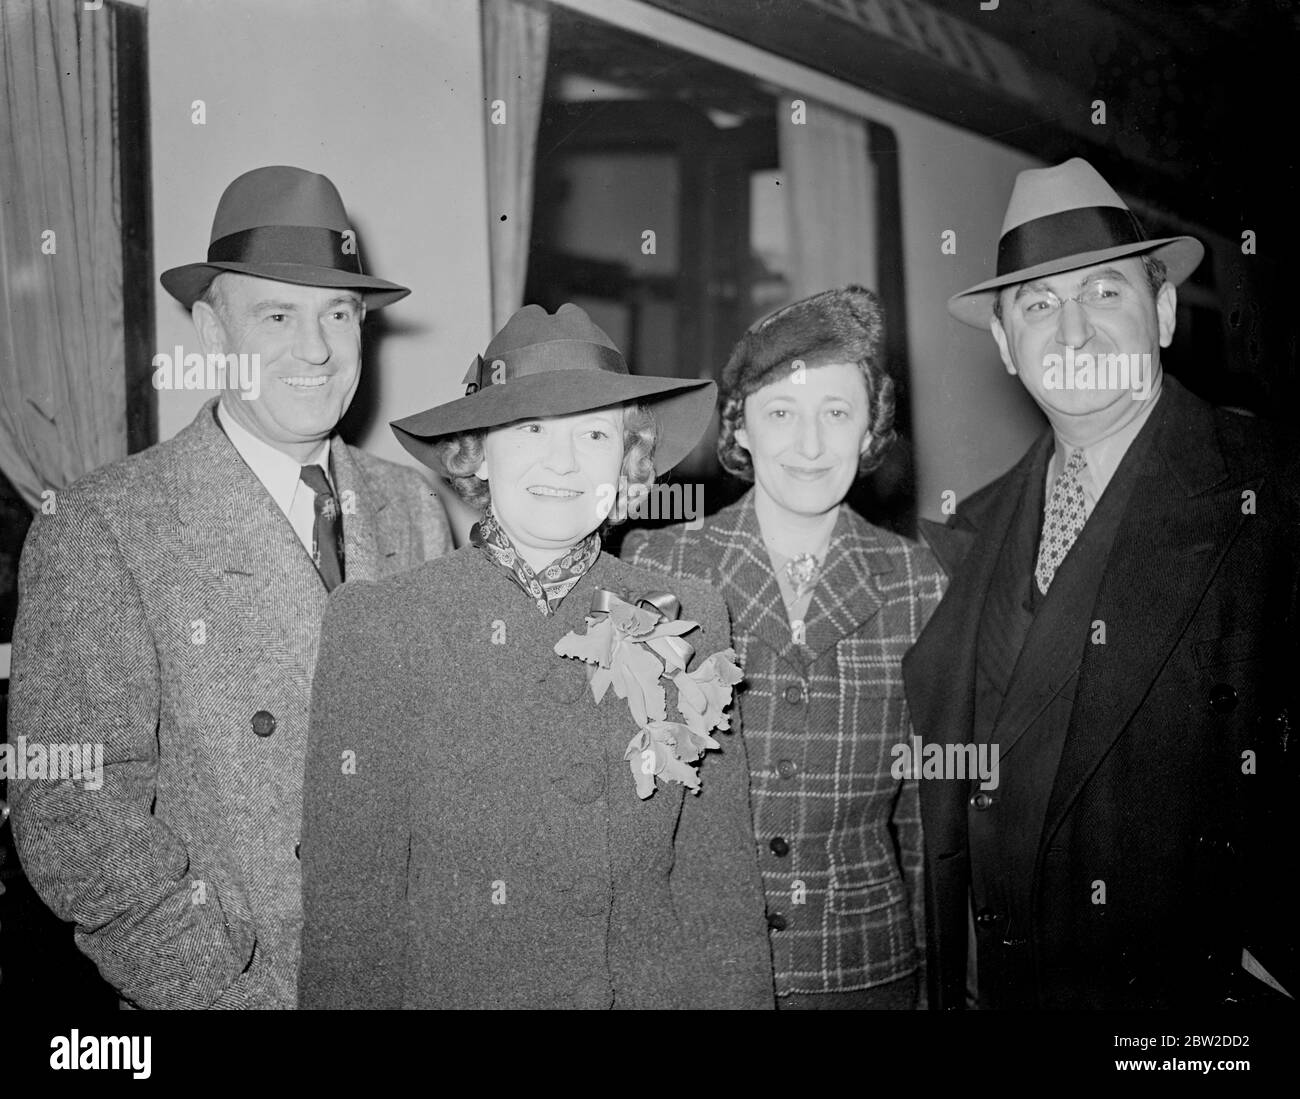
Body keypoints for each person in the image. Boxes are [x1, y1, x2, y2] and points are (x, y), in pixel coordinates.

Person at [6, 165, 452, 1009]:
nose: (315, 349)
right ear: (214, 334)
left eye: (338, 314)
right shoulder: (104, 526)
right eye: (277, 315)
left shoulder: (411, 507)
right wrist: (225, 991)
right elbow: (74, 811)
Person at [903, 157, 1299, 1009]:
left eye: (1104, 293)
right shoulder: (971, 528)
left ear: (1160, 313)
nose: (1072, 334)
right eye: (1039, 306)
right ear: (1006, 347)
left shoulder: (1276, 495)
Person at [297, 303, 774, 1009]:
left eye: (593, 432)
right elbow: (352, 918)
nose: (563, 460)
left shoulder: (688, 616)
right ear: (478, 452)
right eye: (529, 429)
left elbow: (717, 887)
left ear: (631, 458)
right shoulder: (383, 626)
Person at [623, 286, 945, 1009]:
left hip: (864, 973)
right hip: (699, 970)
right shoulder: (662, 568)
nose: (809, 445)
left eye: (836, 413)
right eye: (780, 413)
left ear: (872, 429)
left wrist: (929, 983)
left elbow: (924, 818)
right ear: (740, 431)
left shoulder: (919, 584)